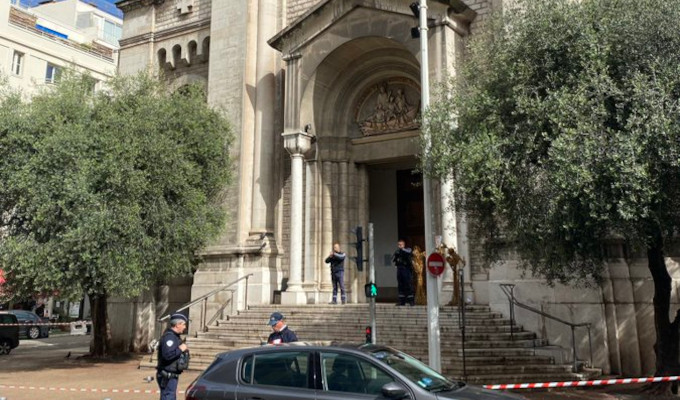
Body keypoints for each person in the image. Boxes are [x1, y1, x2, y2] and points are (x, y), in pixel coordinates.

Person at [156, 313, 189, 400]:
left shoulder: (175, 337)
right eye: (184, 324)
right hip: (167, 375)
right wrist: (180, 349)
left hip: (171, 374)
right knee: (168, 397)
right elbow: (168, 355)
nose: (185, 327)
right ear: (178, 325)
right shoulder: (169, 337)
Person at [392, 239, 415, 306]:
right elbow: (395, 260)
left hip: (406, 270)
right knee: (400, 285)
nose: (399, 246)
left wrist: (402, 250)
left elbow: (409, 252)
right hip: (400, 270)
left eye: (401, 245)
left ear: (404, 245)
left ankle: (411, 301)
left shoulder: (408, 250)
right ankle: (402, 301)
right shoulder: (397, 252)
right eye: (398, 245)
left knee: (408, 285)